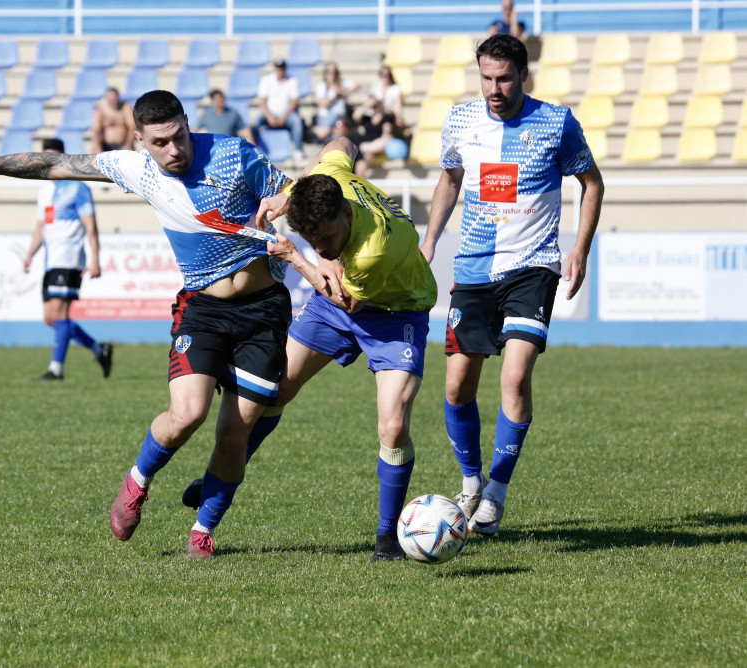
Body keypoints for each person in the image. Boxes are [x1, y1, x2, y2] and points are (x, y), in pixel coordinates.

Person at [0, 90, 292, 560]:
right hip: (204, 309)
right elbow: (53, 165)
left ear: (187, 122)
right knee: (186, 415)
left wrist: (298, 220)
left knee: (234, 433)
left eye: (180, 136)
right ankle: (137, 482)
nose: (174, 150)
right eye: (160, 142)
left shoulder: (233, 155)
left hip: (264, 311)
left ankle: (203, 531)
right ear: (140, 140)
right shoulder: (135, 169)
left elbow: (291, 193)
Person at [183, 136, 439, 561]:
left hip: (395, 313)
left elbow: (347, 299)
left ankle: (386, 539)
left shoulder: (371, 251)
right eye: (310, 238)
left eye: (325, 239)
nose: (322, 248)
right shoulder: (331, 179)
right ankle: (220, 479)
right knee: (272, 391)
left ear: (345, 212)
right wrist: (288, 194)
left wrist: (297, 255)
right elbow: (341, 140)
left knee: (393, 426)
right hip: (332, 305)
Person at [419, 34, 604, 535]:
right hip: (473, 269)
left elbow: (592, 183)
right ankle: (471, 481)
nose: (494, 88)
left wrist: (580, 248)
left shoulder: (556, 122)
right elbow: (450, 179)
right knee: (457, 386)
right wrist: (430, 238)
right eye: (486, 78)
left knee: (515, 378)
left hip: (532, 266)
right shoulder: (461, 120)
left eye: (503, 78)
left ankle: (496, 494)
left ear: (524, 75)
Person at [22, 137, 113, 382]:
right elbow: (41, 226)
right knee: (51, 318)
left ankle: (56, 369)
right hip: (50, 262)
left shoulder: (77, 188)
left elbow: (91, 226)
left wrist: (95, 259)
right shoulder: (44, 191)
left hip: (70, 258)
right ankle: (98, 349)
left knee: (60, 315)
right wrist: (30, 254)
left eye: (54, 158)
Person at [351, 66, 404, 177]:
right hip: (370, 150)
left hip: (378, 147)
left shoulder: (386, 118)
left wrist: (367, 146)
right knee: (366, 156)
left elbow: (386, 136)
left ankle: (362, 148)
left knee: (370, 147)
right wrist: (368, 103)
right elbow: (355, 116)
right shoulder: (368, 118)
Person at [254, 58, 305, 161]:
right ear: (275, 68)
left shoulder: (292, 81)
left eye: (282, 68)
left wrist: (283, 117)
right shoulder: (267, 80)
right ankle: (254, 148)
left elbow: (294, 102)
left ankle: (298, 149)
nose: (280, 70)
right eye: (278, 68)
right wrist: (270, 116)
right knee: (255, 123)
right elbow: (262, 102)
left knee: (297, 121)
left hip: (286, 114)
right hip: (269, 114)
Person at [311, 62, 358, 143]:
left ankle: (323, 137)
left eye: (334, 72)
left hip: (340, 118)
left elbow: (358, 85)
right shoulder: (322, 86)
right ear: (325, 74)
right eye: (329, 72)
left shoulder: (341, 84)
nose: (332, 75)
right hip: (326, 117)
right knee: (338, 126)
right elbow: (322, 104)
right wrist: (334, 96)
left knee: (339, 125)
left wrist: (345, 93)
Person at [91, 87, 135, 152]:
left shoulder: (125, 108)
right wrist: (98, 147)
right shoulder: (100, 110)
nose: (113, 99)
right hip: (105, 146)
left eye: (115, 97)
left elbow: (132, 127)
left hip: (123, 145)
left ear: (118, 97)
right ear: (106, 98)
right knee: (94, 151)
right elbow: (96, 130)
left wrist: (128, 144)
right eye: (110, 97)